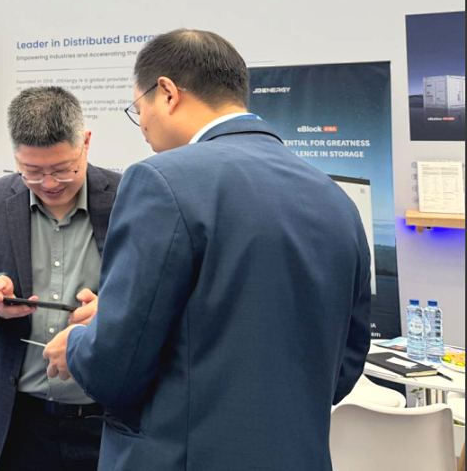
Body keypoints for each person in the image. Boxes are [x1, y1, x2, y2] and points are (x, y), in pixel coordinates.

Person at [42, 30, 372, 471]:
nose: (143, 126)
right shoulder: (335, 198)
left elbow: (113, 370)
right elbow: (345, 363)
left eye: (138, 109)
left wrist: (80, 342)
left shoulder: (160, 180)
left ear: (166, 93)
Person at [0, 87, 120, 471]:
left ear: (86, 143)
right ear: (16, 158)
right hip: (18, 417)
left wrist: (112, 312)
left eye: (63, 169)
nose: (50, 183)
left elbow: (159, 292)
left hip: (104, 418)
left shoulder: (126, 197)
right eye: (33, 172)